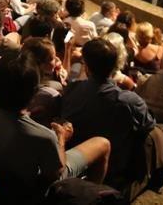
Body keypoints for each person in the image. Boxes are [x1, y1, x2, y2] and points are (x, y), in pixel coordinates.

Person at [0, 54, 111, 202]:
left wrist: (26, 115)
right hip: (25, 191)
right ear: (35, 92)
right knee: (102, 143)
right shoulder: (44, 136)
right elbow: (56, 173)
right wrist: (61, 137)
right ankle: (89, 197)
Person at [59, 38, 155, 177]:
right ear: (116, 65)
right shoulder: (129, 101)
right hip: (112, 167)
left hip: (76, 158)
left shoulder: (71, 89)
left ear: (86, 66)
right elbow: (149, 124)